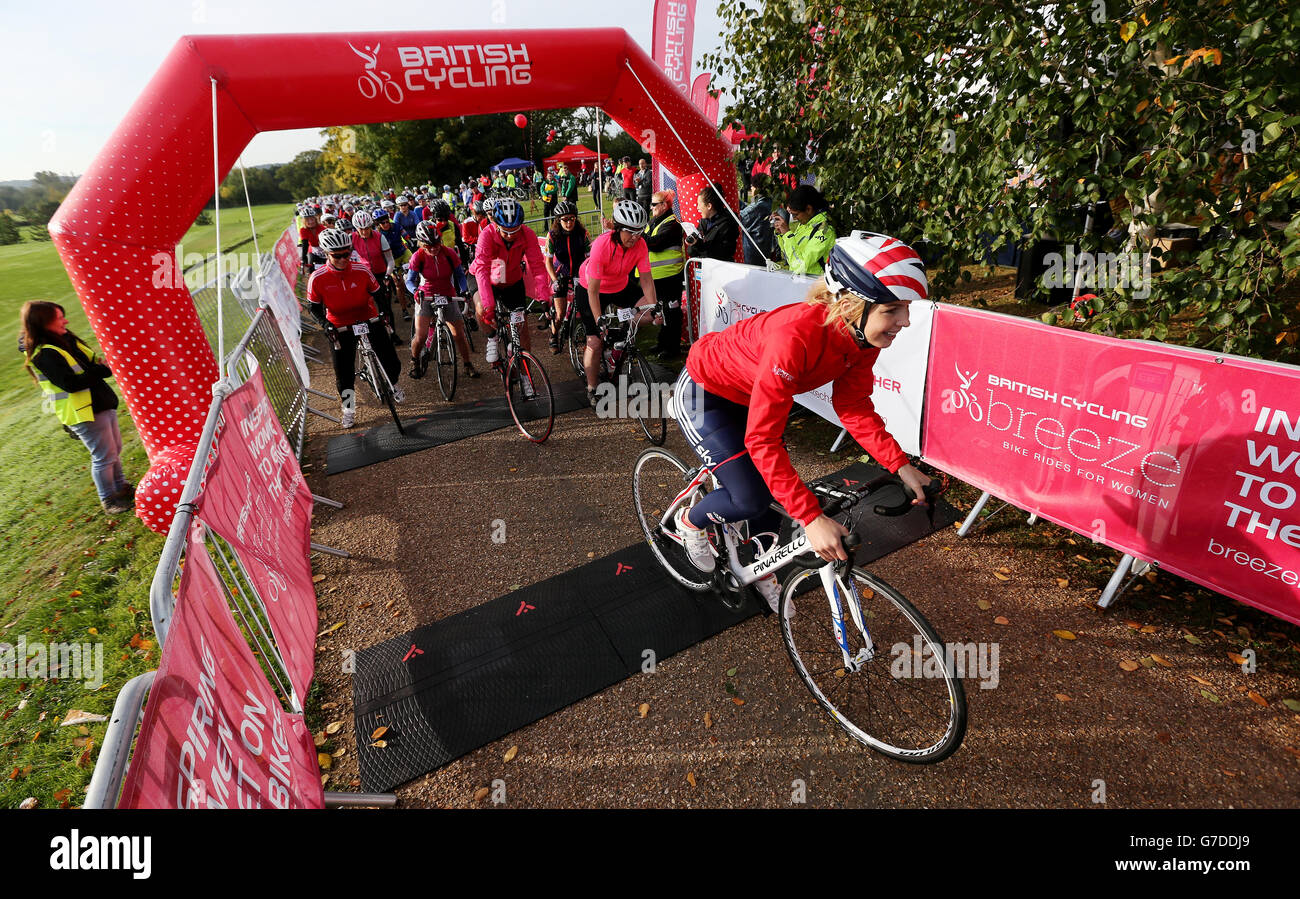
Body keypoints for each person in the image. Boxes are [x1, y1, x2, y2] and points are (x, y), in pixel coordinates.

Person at [671, 233, 932, 616]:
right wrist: (809, 517)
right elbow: (762, 439)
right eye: (893, 309)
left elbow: (854, 407)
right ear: (848, 305)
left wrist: (901, 465)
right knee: (750, 497)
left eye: (906, 308)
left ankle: (760, 566)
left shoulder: (860, 339)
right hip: (705, 392)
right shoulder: (796, 337)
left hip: (747, 395)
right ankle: (689, 522)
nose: (905, 321)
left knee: (768, 497)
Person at [21, 301, 134, 514]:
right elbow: (71, 384)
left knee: (115, 450)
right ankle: (109, 500)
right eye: (59, 318)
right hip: (84, 412)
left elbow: (95, 366)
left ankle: (122, 487)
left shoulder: (66, 339)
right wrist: (99, 370)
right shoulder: (44, 354)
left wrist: (99, 370)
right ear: (44, 323)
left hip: (101, 403)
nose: (66, 320)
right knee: (104, 456)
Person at [308, 228, 405, 428]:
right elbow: (314, 308)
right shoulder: (317, 278)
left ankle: (393, 383)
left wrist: (383, 314)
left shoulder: (361, 270)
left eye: (347, 253)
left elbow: (378, 294)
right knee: (343, 371)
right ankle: (349, 409)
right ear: (327, 254)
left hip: (366, 316)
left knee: (389, 355)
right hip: (339, 323)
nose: (344, 259)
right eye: (338, 256)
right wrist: (326, 325)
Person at [576, 199, 658, 407]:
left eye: (639, 232)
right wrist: (598, 320)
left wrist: (654, 306)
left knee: (648, 315)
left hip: (620, 285)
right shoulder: (603, 245)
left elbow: (646, 279)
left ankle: (619, 344)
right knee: (594, 342)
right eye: (630, 232)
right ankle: (592, 388)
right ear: (618, 229)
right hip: (591, 288)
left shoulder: (640, 244)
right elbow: (593, 291)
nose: (635, 237)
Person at [470, 197, 549, 364]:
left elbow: (537, 266)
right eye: (505, 231)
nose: (510, 235)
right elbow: (482, 271)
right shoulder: (487, 235)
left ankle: (526, 376)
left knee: (523, 330)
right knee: (481, 309)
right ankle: (492, 337)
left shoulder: (527, 234)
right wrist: (489, 307)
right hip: (486, 277)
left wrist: (544, 297)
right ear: (496, 224)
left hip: (511, 278)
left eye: (515, 230)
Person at [406, 221, 480, 383]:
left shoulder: (449, 253)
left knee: (458, 334)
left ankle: (468, 364)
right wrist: (415, 291)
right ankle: (414, 360)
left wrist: (464, 290)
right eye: (428, 246)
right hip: (425, 295)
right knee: (421, 335)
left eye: (436, 243)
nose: (433, 248)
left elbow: (460, 275)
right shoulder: (418, 256)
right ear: (421, 244)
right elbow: (410, 281)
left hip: (447, 293)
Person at [642, 189, 686, 360]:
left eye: (654, 204)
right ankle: (662, 343)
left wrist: (639, 234)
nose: (650, 206)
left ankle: (672, 348)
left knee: (672, 312)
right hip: (657, 276)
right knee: (662, 311)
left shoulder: (672, 223)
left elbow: (654, 244)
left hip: (670, 275)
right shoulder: (655, 221)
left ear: (664, 205)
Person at [542, 201, 590, 352]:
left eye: (572, 218)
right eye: (565, 219)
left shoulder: (583, 233)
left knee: (585, 308)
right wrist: (555, 280)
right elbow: (548, 262)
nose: (569, 223)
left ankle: (586, 335)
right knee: (560, 312)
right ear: (558, 220)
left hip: (579, 272)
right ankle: (554, 335)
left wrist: (586, 275)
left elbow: (590, 258)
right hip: (560, 273)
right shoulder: (552, 235)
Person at [773, 184, 836, 275]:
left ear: (808, 209)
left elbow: (798, 267)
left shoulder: (825, 231)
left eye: (795, 214)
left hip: (814, 285)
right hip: (801, 282)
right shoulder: (805, 224)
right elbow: (790, 255)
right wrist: (782, 234)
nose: (794, 218)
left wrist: (787, 234)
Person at [685, 182, 740, 262]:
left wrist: (699, 245)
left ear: (709, 206)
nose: (697, 208)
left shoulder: (727, 223)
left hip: (721, 270)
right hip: (705, 269)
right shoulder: (703, 222)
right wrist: (692, 243)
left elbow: (724, 252)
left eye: (699, 204)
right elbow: (692, 252)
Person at [740, 177, 778, 266]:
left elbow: (740, 217)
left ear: (757, 189)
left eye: (752, 186)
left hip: (752, 251)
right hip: (766, 249)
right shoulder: (771, 203)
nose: (751, 189)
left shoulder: (757, 207)